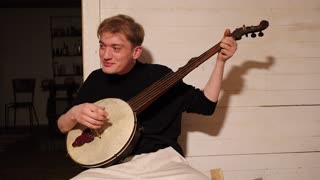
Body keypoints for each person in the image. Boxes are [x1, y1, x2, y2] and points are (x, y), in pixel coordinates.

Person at [57, 14, 237, 180]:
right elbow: (63, 126)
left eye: (115, 48)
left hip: (163, 162)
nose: (105, 55)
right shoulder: (96, 79)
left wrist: (220, 61)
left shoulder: (160, 76)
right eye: (102, 46)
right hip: (110, 167)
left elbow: (206, 105)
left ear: (135, 52)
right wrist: (74, 113)